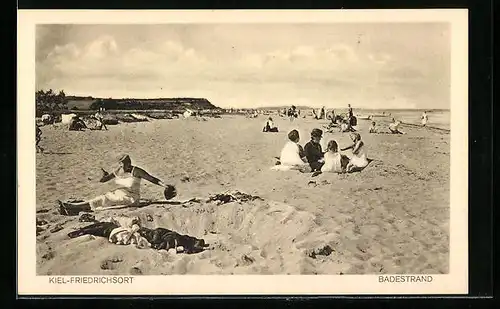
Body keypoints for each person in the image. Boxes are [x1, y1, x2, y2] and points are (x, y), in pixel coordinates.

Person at [57, 155, 172, 215]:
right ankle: (71, 208)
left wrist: (164, 185)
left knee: (103, 200)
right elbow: (105, 180)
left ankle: (71, 208)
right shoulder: (119, 170)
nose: (122, 167)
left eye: (124, 165)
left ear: (128, 164)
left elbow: (152, 179)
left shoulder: (136, 171)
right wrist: (103, 175)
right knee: (101, 198)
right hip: (119, 193)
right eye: (121, 165)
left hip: (131, 197)